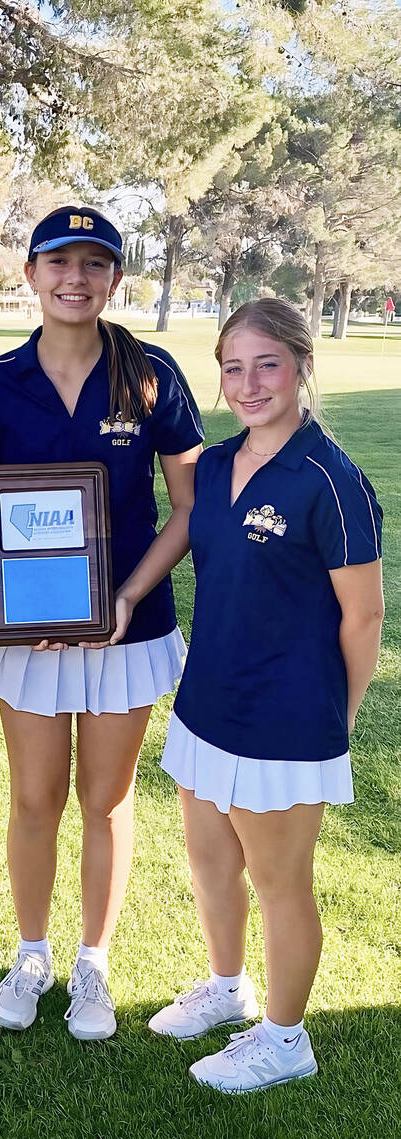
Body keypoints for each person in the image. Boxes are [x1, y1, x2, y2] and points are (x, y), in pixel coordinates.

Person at [0, 207, 204, 1039]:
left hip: (127, 627)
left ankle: (92, 962)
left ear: (115, 281)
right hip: (28, 634)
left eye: (94, 265)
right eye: (58, 262)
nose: (75, 278)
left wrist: (127, 595)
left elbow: (189, 508)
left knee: (106, 798)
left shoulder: (152, 373)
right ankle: (32, 953)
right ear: (29, 275)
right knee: (34, 797)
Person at [150, 298, 384, 1092]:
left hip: (285, 721)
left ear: (301, 366)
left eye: (267, 364)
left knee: (281, 883)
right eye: (233, 367)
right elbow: (186, 542)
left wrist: (335, 721)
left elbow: (364, 617)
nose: (249, 384)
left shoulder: (331, 481)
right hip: (206, 701)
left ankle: (285, 1039)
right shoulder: (214, 467)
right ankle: (227, 987)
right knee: (211, 862)